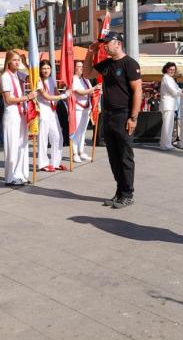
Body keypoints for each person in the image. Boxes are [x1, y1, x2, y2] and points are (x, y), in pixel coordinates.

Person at [83, 32, 142, 209]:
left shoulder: (130, 64)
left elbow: (137, 91)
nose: (105, 46)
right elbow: (87, 73)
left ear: (118, 44)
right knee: (114, 157)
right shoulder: (108, 63)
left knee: (125, 156)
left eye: (107, 43)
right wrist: (90, 53)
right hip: (108, 115)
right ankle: (119, 191)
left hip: (123, 115)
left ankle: (128, 194)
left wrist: (133, 117)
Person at [1, 51, 36, 186]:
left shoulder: (19, 75)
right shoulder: (5, 77)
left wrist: (26, 62)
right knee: (12, 146)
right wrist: (27, 97)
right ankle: (10, 177)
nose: (17, 62)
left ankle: (20, 173)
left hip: (22, 113)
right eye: (14, 60)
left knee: (22, 144)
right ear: (8, 61)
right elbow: (9, 99)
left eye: (18, 60)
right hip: (12, 114)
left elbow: (32, 76)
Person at [36, 60, 69, 172]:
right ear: (40, 69)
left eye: (48, 68)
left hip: (52, 111)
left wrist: (66, 94)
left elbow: (55, 93)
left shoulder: (51, 79)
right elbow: (46, 96)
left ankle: (55, 163)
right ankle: (43, 164)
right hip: (43, 111)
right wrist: (63, 96)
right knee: (43, 138)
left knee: (58, 137)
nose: (46, 70)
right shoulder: (38, 80)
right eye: (44, 68)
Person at [71, 60, 95, 162]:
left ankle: (81, 151)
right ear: (75, 68)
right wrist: (93, 89)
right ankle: (75, 153)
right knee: (76, 131)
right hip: (77, 108)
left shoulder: (86, 79)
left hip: (86, 107)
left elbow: (91, 91)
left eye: (82, 66)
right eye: (79, 66)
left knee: (83, 131)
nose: (81, 68)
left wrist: (97, 90)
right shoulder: (73, 79)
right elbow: (80, 92)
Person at [159, 62, 180, 150]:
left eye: (173, 70)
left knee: (168, 125)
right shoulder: (166, 78)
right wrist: (181, 92)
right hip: (168, 105)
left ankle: (166, 143)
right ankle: (165, 145)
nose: (172, 71)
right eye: (170, 69)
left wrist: (181, 91)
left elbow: (176, 89)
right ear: (166, 69)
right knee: (167, 125)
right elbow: (172, 90)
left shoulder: (169, 78)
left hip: (169, 105)